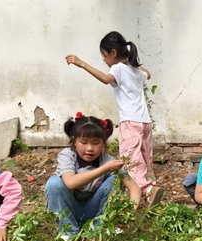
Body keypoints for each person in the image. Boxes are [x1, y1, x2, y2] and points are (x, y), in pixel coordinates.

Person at [65, 31, 164, 207]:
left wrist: (81, 64)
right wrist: (134, 64)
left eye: (104, 56)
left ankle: (148, 191)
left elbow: (105, 79)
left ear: (113, 53)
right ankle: (151, 190)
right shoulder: (135, 70)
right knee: (145, 158)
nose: (104, 61)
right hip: (145, 122)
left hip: (130, 122)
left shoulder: (117, 68)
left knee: (130, 161)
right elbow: (147, 74)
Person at [45, 113, 142, 241]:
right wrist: (105, 169)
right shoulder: (67, 156)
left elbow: (135, 188)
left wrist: (129, 213)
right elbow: (70, 183)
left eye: (96, 143)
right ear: (74, 141)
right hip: (69, 210)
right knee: (54, 183)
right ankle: (68, 231)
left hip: (93, 212)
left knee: (114, 181)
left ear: (103, 144)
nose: (89, 148)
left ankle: (99, 229)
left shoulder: (108, 161)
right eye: (83, 142)